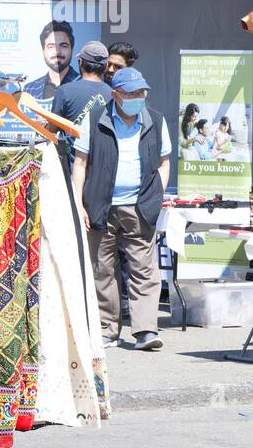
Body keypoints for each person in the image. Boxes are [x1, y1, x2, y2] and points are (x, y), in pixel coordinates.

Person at [73, 66, 172, 351]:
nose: (138, 97)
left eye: (141, 92)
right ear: (115, 94)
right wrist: (79, 203)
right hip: (100, 205)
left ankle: (145, 331)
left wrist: (157, 194)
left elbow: (164, 161)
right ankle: (107, 330)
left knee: (144, 269)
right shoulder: (94, 120)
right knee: (103, 269)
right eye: (131, 93)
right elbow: (80, 164)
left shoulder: (155, 119)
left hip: (140, 206)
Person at [50, 41, 113, 129]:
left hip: (72, 143)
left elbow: (52, 129)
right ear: (106, 66)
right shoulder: (113, 94)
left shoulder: (64, 91)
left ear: (80, 62)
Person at [25, 20, 79, 101]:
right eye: (51, 46)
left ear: (72, 49)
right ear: (43, 51)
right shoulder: (29, 90)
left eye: (63, 46)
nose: (57, 51)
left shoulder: (83, 86)